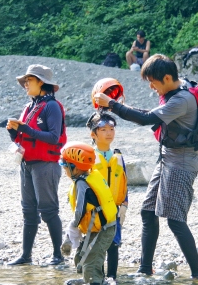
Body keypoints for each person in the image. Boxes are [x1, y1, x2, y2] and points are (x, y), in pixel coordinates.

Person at [94, 54, 198, 280]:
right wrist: (120, 107)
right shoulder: (175, 89)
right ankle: (145, 268)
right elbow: (150, 115)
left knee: (175, 220)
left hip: (181, 163)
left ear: (166, 77)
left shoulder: (181, 100)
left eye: (153, 82)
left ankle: (197, 275)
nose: (151, 87)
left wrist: (112, 105)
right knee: (148, 211)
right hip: (166, 159)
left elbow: (147, 119)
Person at [6, 64, 67, 266]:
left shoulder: (52, 107)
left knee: (48, 210)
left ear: (41, 82)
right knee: (28, 211)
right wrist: (14, 132)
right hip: (28, 164)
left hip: (46, 164)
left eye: (29, 80)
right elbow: (25, 137)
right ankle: (26, 256)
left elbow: (53, 137)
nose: (25, 84)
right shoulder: (30, 107)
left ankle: (58, 255)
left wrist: (25, 129)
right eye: (24, 81)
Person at [60, 141, 117, 285]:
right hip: (98, 228)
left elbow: (80, 211)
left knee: (91, 262)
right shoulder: (88, 176)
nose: (64, 170)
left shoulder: (82, 184)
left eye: (65, 166)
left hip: (104, 229)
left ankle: (95, 281)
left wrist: (72, 228)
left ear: (76, 168)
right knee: (80, 258)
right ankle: (96, 280)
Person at [86, 112, 128, 284]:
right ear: (93, 134)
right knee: (97, 243)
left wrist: (124, 205)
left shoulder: (117, 156)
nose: (109, 133)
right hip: (95, 209)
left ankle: (112, 277)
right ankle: (97, 276)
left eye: (111, 129)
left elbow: (124, 183)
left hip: (114, 208)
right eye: (103, 129)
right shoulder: (88, 157)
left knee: (114, 242)